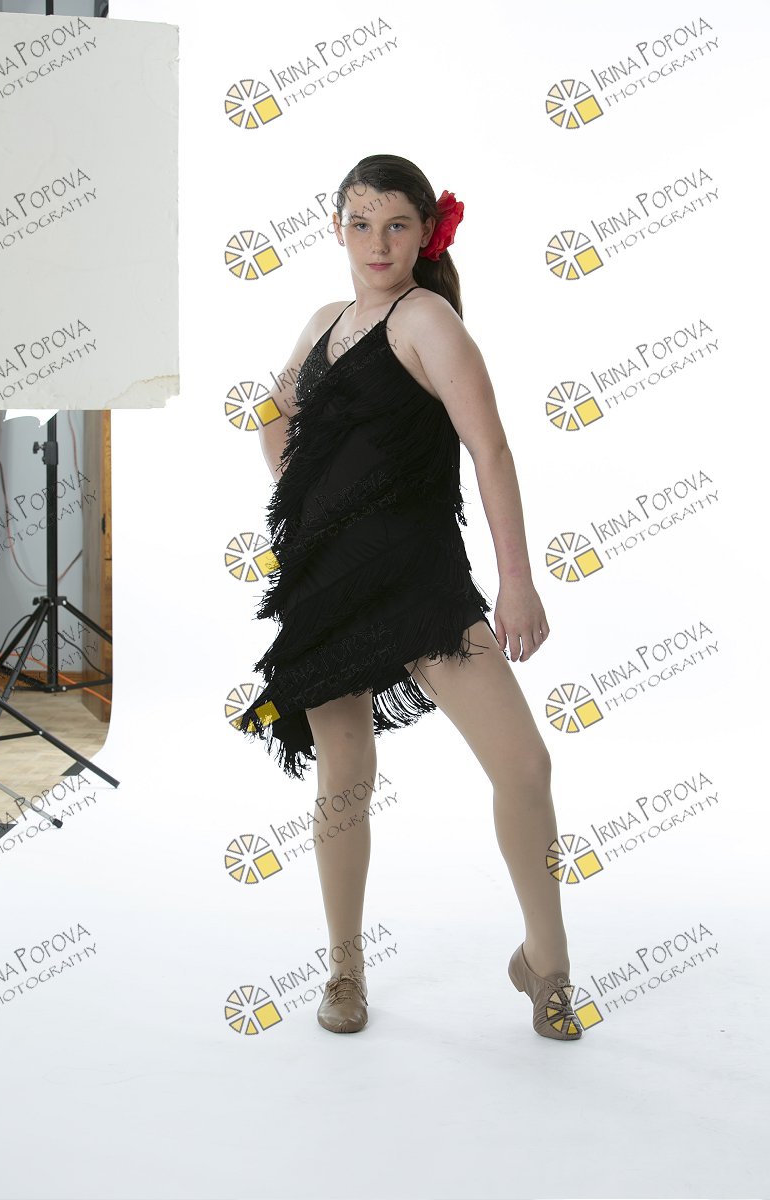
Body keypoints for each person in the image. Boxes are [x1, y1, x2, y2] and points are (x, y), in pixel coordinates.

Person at [237, 154, 583, 1042]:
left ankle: (547, 962)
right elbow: (272, 416)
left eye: (396, 225)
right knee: (343, 778)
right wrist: (307, 501)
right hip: (328, 583)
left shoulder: (427, 320)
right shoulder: (324, 322)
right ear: (338, 229)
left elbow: (490, 450)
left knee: (524, 766)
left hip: (420, 581)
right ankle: (345, 969)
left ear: (426, 232)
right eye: (360, 224)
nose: (378, 243)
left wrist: (516, 580)